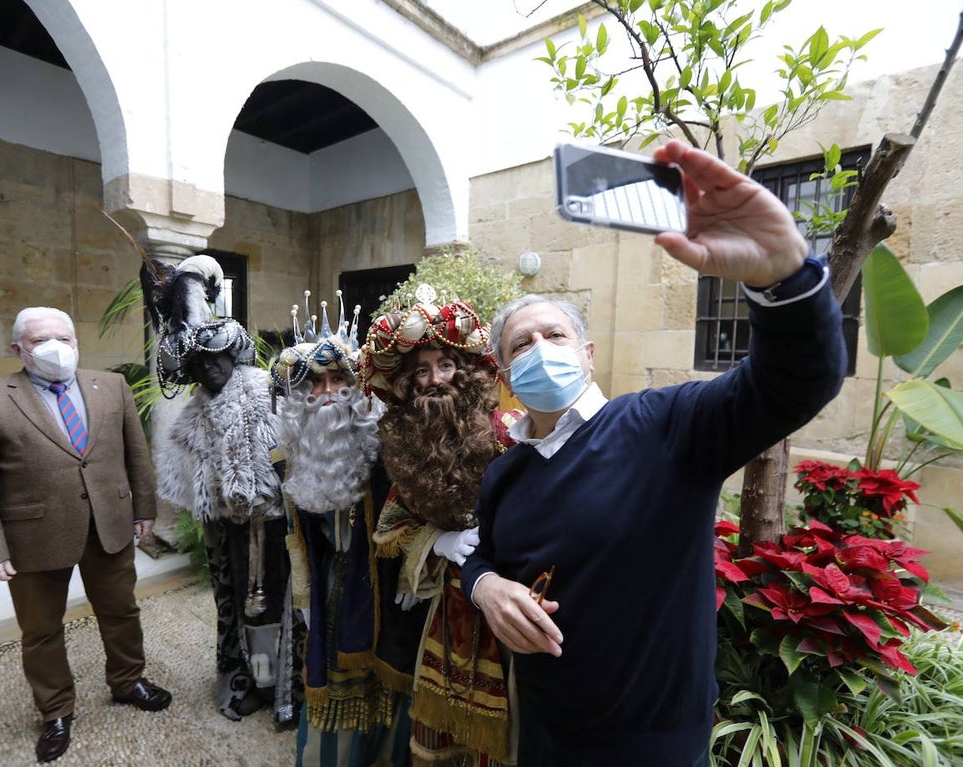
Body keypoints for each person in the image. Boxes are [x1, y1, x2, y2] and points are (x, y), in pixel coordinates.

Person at [459, 139, 849, 767]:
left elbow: (793, 382)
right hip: (544, 733)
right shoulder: (506, 470)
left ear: (586, 355)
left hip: (652, 745)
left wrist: (785, 275)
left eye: (554, 335)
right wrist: (485, 588)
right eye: (521, 345)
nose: (539, 348)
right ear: (506, 376)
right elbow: (480, 552)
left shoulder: (664, 427)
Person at [0, 306, 172, 764]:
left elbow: (138, 453)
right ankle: (55, 710)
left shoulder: (111, 387)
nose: (54, 348)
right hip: (33, 536)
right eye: (38, 341)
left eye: (63, 338)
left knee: (121, 611)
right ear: (18, 349)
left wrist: (145, 510)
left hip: (108, 526)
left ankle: (128, 680)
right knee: (40, 631)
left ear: (76, 343)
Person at [360, 290, 521, 767]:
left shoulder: (508, 430)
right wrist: (438, 540)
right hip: (444, 604)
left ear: (464, 371)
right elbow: (389, 530)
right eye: (422, 371)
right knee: (437, 728)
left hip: (507, 596)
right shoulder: (403, 447)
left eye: (445, 366)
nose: (434, 380)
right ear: (408, 383)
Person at [271, 291, 421, 767]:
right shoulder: (290, 454)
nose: (327, 392)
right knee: (329, 685)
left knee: (386, 692)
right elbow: (296, 539)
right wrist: (302, 597)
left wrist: (417, 570)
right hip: (327, 590)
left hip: (384, 594)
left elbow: (419, 517)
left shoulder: (392, 449)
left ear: (358, 389)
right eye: (314, 383)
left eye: (339, 379)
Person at [151, 285, 294, 722]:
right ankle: (245, 678)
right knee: (233, 604)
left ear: (234, 356)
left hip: (270, 526)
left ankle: (276, 687)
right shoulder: (195, 411)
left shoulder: (266, 394)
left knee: (270, 604)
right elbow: (190, 473)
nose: (210, 368)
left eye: (217, 358)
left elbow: (289, 458)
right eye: (199, 363)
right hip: (226, 528)